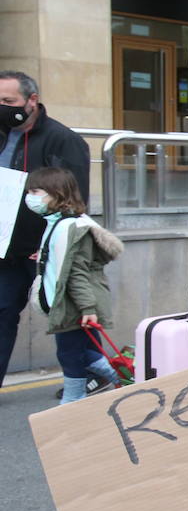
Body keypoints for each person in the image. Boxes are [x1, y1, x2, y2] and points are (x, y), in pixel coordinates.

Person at [0, 70, 91, 388]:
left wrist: (58, 244)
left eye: (8, 101)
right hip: (6, 251)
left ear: (31, 100)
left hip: (46, 249)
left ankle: (83, 379)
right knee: (2, 312)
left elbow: (76, 199)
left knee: (66, 320)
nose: (2, 107)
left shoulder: (63, 140)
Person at [24, 167, 122, 403]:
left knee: (69, 352)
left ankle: (74, 397)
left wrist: (87, 309)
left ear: (56, 193)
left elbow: (78, 272)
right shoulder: (57, 222)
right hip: (67, 302)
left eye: (36, 191)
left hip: (75, 304)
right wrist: (46, 256)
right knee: (75, 350)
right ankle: (116, 374)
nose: (30, 197)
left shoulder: (72, 227)